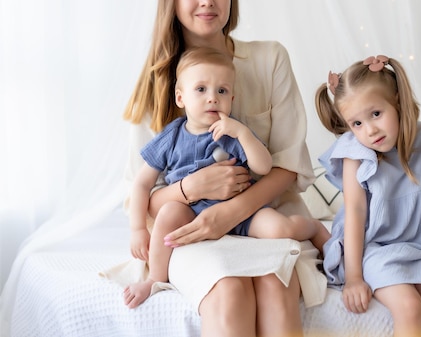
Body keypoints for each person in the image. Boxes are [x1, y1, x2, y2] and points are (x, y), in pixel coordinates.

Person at [122, 0, 323, 337]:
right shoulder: (159, 80)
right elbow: (140, 195)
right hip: (188, 228)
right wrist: (190, 189)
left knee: (274, 282)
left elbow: (288, 164)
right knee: (229, 290)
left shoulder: (269, 58)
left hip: (263, 217)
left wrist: (229, 213)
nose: (207, 0)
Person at [124, 47, 329, 309]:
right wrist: (137, 229)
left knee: (280, 229)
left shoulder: (230, 131)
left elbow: (264, 167)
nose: (212, 98)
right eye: (201, 89)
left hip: (242, 212)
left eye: (221, 91)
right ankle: (154, 278)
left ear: (232, 97)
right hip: (192, 213)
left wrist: (243, 134)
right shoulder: (172, 136)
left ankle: (313, 228)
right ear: (180, 98)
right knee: (167, 216)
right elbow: (142, 183)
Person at [315, 55, 421, 337]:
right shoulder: (356, 156)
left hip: (417, 248)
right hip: (373, 250)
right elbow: (355, 215)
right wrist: (353, 278)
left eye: (376, 114)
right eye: (357, 124)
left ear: (397, 102)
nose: (370, 130)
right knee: (409, 306)